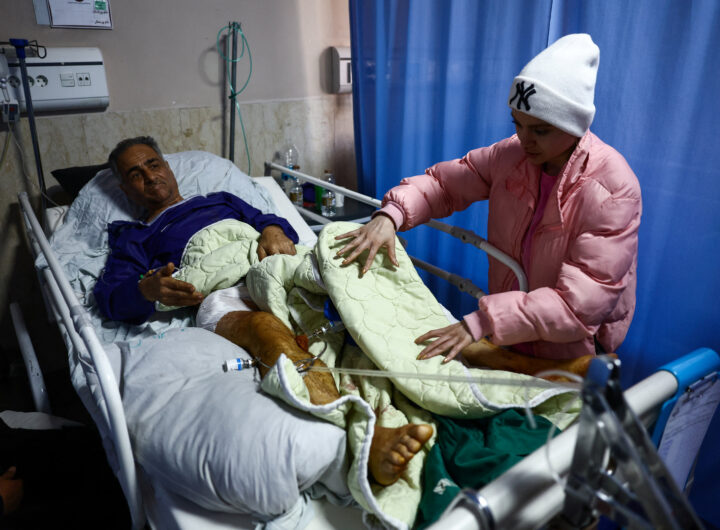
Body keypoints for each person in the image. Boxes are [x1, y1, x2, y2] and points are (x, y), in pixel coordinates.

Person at [94, 137, 432, 486]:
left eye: (153, 164)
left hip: (273, 265)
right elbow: (109, 297)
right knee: (264, 327)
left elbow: (269, 220)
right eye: (135, 174)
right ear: (125, 189)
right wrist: (146, 290)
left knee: (356, 280)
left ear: (167, 166)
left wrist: (271, 230)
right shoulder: (132, 237)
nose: (150, 176)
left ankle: (446, 359)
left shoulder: (220, 200)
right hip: (222, 291)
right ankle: (361, 435)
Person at [336, 34, 642, 365]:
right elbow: (444, 185)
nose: (524, 139)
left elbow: (578, 307)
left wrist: (484, 322)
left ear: (574, 125)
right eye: (518, 124)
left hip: (574, 350)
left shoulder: (611, 190)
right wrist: (390, 215)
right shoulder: (511, 156)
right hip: (511, 336)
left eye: (540, 130)